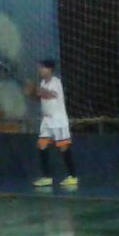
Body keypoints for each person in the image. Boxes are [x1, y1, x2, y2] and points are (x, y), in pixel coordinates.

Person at [28, 59, 77, 190]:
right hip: (46, 120)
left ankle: (72, 176)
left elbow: (50, 95)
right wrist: (31, 93)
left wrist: (35, 89)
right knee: (42, 145)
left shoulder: (56, 82)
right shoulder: (43, 83)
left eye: (42, 67)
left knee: (63, 147)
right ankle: (46, 177)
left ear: (49, 69)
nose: (40, 70)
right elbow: (40, 98)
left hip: (58, 120)